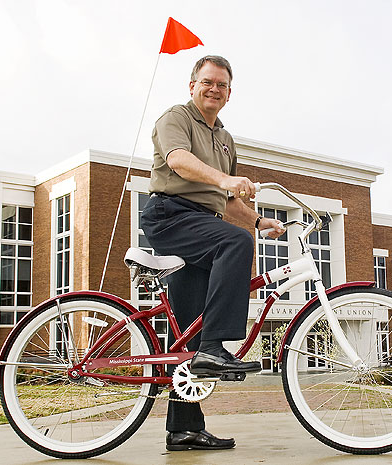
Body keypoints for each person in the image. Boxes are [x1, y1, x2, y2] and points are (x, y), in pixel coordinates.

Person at [140, 55, 284, 451]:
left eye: (221, 85)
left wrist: (259, 221)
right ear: (192, 86)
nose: (213, 89)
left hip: (202, 224)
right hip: (170, 217)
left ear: (229, 93)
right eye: (207, 82)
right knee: (234, 243)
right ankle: (217, 349)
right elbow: (179, 162)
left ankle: (184, 430)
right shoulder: (176, 117)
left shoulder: (225, 138)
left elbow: (225, 200)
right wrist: (226, 179)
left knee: (190, 330)